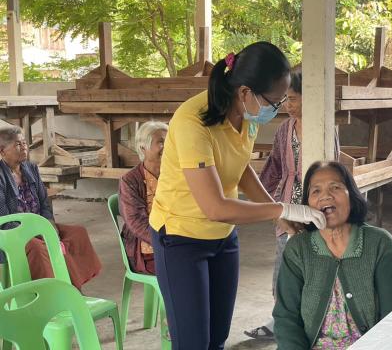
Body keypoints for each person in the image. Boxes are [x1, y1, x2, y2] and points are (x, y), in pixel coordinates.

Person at [148, 42, 326, 350]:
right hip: (181, 237)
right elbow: (215, 207)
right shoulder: (193, 122)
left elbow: (240, 168)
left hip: (223, 237)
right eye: (274, 100)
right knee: (192, 342)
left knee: (217, 336)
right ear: (245, 92)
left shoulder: (246, 115)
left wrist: (278, 211)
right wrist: (280, 209)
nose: (279, 107)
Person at [245, 67, 340, 340]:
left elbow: (333, 168)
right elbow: (274, 167)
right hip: (288, 207)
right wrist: (264, 200)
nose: (287, 105)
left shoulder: (323, 128)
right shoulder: (284, 130)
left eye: (294, 99)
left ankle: (314, 323)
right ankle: (280, 322)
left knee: (317, 268)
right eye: (285, 99)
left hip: (317, 210)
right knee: (284, 266)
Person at [273, 161, 392, 349]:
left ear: (351, 196)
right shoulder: (298, 249)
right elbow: (285, 318)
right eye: (316, 191)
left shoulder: (379, 244)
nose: (325, 196)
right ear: (308, 205)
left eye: (335, 187)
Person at [0, 125, 101, 290]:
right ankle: (53, 292)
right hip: (12, 234)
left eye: (24, 143)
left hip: (39, 227)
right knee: (38, 247)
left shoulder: (31, 168)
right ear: (2, 151)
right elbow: (3, 220)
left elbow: (44, 202)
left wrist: (49, 224)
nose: (24, 147)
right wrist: (36, 232)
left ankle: (72, 286)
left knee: (77, 234)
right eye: (17, 144)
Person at [119, 121, 168, 274]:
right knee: (186, 267)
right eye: (161, 142)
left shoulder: (175, 174)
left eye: (169, 141)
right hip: (149, 248)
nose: (167, 146)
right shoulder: (130, 180)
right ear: (143, 148)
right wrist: (168, 242)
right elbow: (136, 223)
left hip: (176, 239)